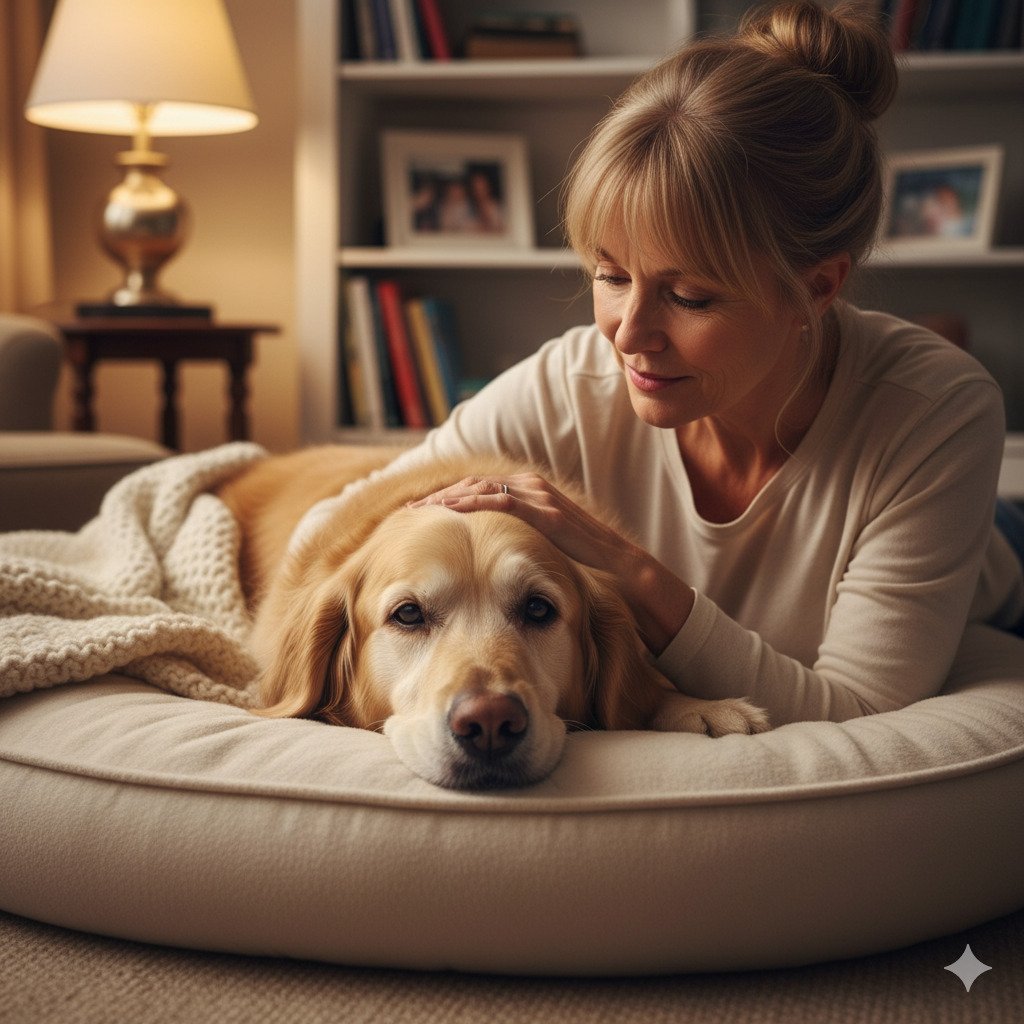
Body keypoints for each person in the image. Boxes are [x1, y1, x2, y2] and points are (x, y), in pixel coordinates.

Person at [311, 1, 1024, 726]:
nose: (628, 335)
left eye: (688, 296)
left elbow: (860, 709)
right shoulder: (573, 383)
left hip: (994, 552)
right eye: (612, 276)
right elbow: (328, 535)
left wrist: (630, 570)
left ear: (816, 287)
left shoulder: (936, 411)